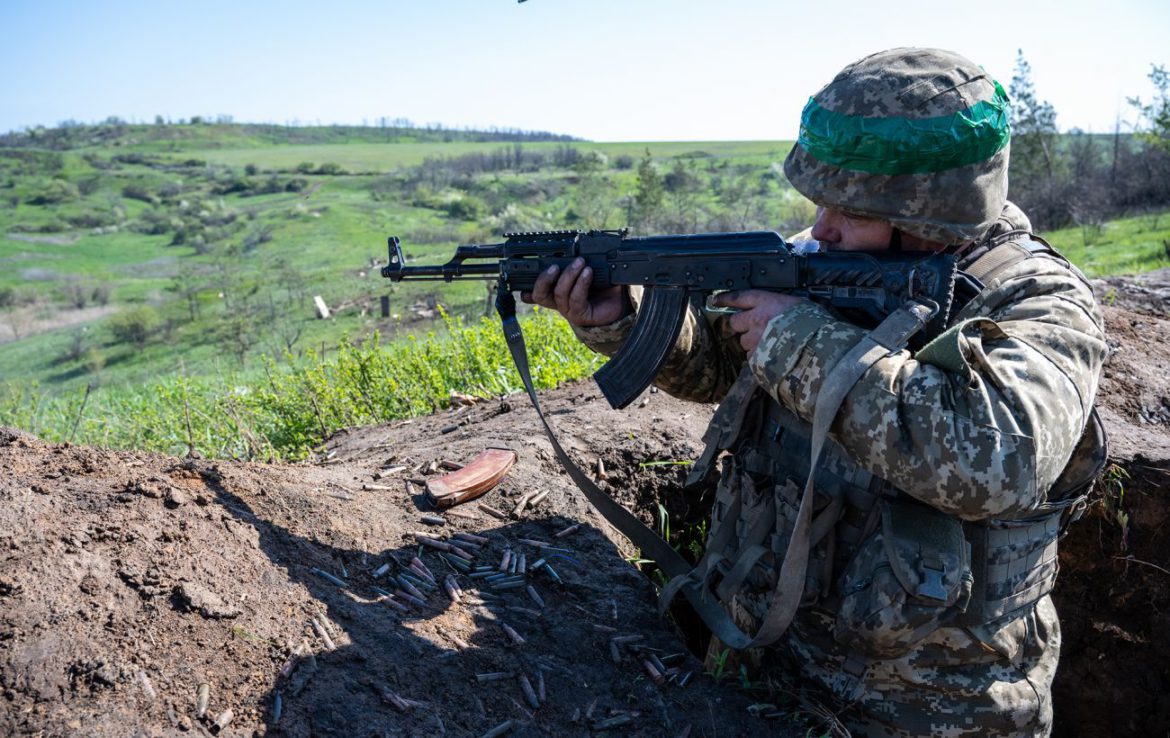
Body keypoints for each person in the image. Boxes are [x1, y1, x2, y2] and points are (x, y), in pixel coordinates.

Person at [523, 48, 1107, 737]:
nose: (820, 228)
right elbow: (718, 368)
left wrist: (798, 342)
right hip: (756, 664)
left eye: (848, 210)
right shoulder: (833, 257)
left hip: (929, 711)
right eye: (821, 203)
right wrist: (622, 320)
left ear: (930, 216)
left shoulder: (1037, 303)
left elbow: (999, 461)